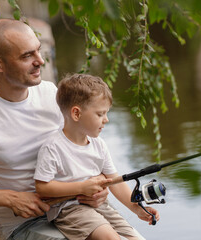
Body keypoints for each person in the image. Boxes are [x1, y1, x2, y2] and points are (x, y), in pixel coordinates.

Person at [0, 19, 109, 240]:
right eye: (27, 56)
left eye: (38, 51)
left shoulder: (51, 93)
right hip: (24, 224)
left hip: (74, 207)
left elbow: (79, 147)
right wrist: (10, 198)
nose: (40, 61)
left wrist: (98, 187)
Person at [35, 74, 160, 240]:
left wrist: (136, 208)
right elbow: (42, 187)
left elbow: (114, 180)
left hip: (100, 205)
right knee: (110, 238)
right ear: (76, 114)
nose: (106, 120)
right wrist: (81, 188)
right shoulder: (53, 147)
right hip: (69, 210)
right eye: (100, 114)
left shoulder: (99, 145)